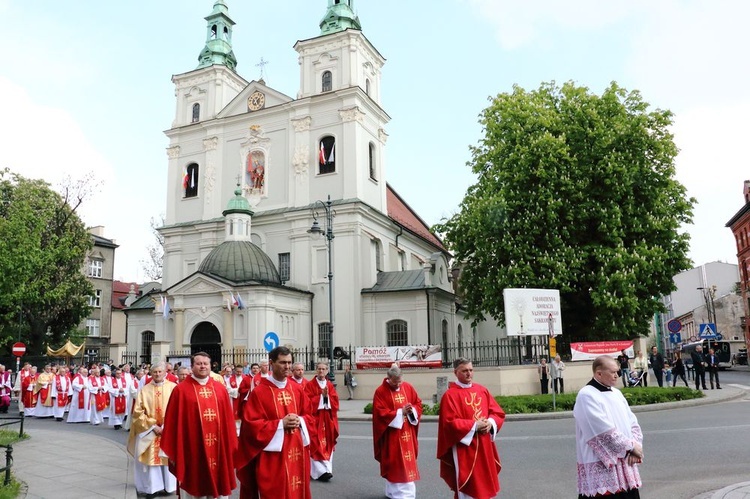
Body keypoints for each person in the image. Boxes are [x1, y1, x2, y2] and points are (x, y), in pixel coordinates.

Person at [236, 346, 314, 499]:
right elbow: (251, 425)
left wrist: (301, 420)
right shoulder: (259, 392)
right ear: (271, 363)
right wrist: (280, 424)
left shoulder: (297, 389)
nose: (287, 367)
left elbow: (310, 416)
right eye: (283, 362)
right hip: (273, 456)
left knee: (297, 491)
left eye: (289, 362)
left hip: (297, 451)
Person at [161, 351, 237, 498]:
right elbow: (172, 422)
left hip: (218, 447)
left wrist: (231, 445)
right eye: (199, 363)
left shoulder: (220, 389)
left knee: (218, 489)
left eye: (205, 363)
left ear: (211, 365)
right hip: (192, 449)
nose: (202, 366)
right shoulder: (181, 390)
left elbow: (228, 421)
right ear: (192, 366)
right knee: (194, 489)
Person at [574, 356, 643, 498]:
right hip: (603, 465)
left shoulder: (617, 393)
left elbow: (633, 423)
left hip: (625, 461)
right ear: (599, 374)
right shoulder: (586, 395)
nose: (617, 375)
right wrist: (630, 447)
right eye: (613, 372)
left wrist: (636, 445)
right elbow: (602, 431)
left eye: (617, 372)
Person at [437, 358, 505, 499]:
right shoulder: (450, 395)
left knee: (484, 482)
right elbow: (449, 423)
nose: (469, 374)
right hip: (465, 448)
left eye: (471, 370)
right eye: (465, 371)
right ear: (455, 372)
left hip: (485, 446)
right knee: (469, 484)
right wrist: (474, 425)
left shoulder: (481, 390)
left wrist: (490, 423)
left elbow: (497, 412)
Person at [127, 362, 178, 498]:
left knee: (167, 459)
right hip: (150, 431)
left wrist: (166, 426)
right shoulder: (144, 390)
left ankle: (169, 487)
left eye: (160, 372)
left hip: (168, 430)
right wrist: (153, 426)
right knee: (151, 461)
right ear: (151, 373)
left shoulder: (173, 388)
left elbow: (178, 410)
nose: (157, 374)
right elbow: (138, 412)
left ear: (165, 373)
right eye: (155, 372)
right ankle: (152, 488)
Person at [372, 364, 422, 499]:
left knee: (407, 462)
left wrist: (413, 411)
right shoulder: (381, 391)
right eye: (395, 381)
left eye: (400, 381)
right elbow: (380, 413)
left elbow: (418, 403)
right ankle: (397, 493)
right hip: (392, 435)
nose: (398, 384)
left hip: (407, 432)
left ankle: (404, 493)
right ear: (389, 378)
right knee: (395, 463)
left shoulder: (408, 387)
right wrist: (400, 413)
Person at [304, 361, 340, 482]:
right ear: (316, 370)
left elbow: (335, 402)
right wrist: (320, 397)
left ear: (327, 371)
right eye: (319, 369)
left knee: (328, 443)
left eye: (323, 369)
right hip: (315, 419)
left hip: (327, 419)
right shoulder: (310, 385)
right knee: (316, 444)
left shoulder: (329, 385)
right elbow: (306, 402)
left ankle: (327, 470)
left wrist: (327, 397)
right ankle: (320, 471)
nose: (321, 371)